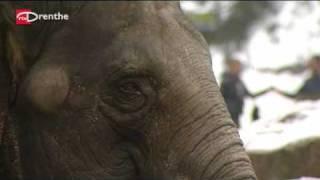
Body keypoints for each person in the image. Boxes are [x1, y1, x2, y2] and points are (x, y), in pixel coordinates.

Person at [220, 58, 271, 127]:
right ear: (231, 68)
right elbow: (221, 98)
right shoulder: (226, 82)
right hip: (228, 114)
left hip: (237, 113)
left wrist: (267, 91)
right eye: (237, 67)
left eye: (239, 67)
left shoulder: (238, 81)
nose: (239, 69)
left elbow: (249, 95)